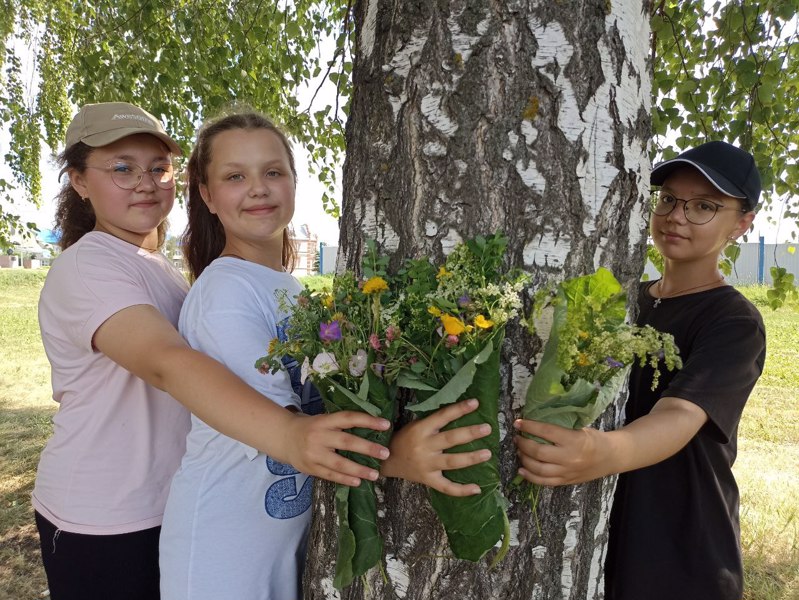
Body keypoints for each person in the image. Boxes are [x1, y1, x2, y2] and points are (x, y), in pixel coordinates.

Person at [34, 101, 395, 600]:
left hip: (176, 501)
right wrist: (291, 435)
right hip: (108, 516)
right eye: (121, 168)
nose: (144, 181)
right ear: (78, 180)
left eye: (158, 169)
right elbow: (168, 364)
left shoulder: (156, 267)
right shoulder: (88, 266)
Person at [158, 110, 493, 600]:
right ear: (206, 195)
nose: (258, 188)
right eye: (235, 176)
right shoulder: (224, 292)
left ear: (294, 182)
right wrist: (395, 457)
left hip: (279, 534)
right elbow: (290, 432)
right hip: (223, 542)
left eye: (273, 172)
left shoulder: (290, 290)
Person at [513, 141, 766, 600]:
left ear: (742, 223)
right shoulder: (624, 300)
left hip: (680, 546)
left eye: (705, 206)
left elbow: (680, 415)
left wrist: (601, 452)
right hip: (606, 533)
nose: (676, 216)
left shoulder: (733, 321)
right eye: (668, 198)